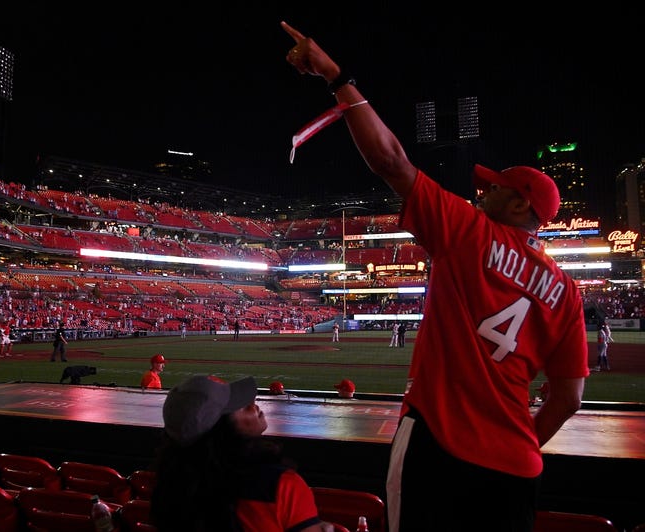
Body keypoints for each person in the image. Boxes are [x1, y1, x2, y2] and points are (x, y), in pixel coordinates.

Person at [282, 21, 589, 532]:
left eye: (492, 189)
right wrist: (522, 440)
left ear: (518, 203)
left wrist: (336, 77)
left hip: (439, 444)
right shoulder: (567, 290)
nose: (480, 194)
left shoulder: (470, 232)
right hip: (515, 467)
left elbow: (389, 160)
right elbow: (570, 398)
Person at [151, 374, 334, 532]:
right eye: (238, 406)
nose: (253, 404)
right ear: (221, 430)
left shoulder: (170, 486)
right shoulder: (283, 486)